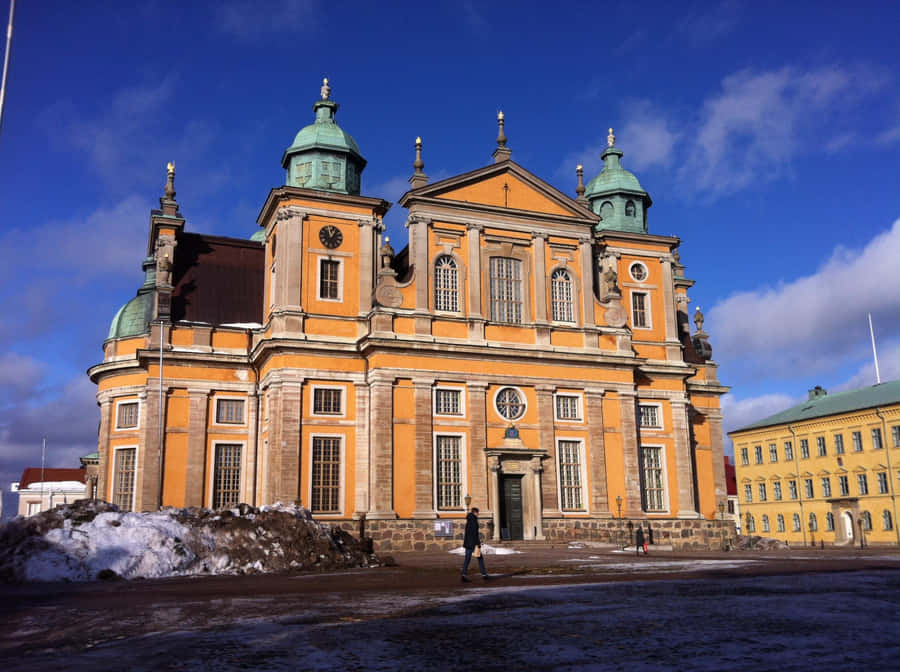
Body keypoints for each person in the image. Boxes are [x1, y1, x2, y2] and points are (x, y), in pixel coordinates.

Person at [461, 507, 488, 581]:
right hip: (473, 543)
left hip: (468, 543)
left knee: (467, 559)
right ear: (475, 512)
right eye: (477, 513)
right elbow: (474, 534)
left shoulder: (469, 520)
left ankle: (463, 574)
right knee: (480, 558)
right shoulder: (474, 521)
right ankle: (484, 574)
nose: (478, 514)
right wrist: (478, 543)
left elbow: (468, 533)